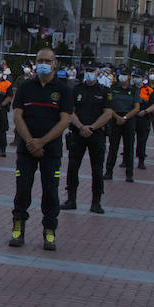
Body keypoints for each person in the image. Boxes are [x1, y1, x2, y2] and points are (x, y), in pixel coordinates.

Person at [8, 48, 73, 251]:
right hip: (26, 150)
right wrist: (29, 141)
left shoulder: (64, 90)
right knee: (22, 190)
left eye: (47, 60)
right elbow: (18, 116)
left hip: (50, 151)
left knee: (51, 192)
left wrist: (42, 142)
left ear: (55, 64)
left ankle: (49, 231)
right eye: (40, 60)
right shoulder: (26, 87)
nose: (43, 63)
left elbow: (65, 121)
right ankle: (18, 228)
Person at [61, 66, 113, 214]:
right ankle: (71, 199)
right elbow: (70, 111)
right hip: (78, 134)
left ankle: (96, 202)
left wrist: (92, 128)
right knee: (72, 167)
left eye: (93, 71)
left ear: (98, 74)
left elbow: (108, 113)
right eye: (88, 71)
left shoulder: (104, 91)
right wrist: (81, 127)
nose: (90, 74)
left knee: (97, 170)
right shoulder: (76, 89)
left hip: (96, 135)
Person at [104, 71, 142, 183]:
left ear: (129, 77)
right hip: (115, 119)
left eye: (125, 74)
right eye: (121, 74)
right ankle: (108, 172)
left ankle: (129, 174)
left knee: (129, 148)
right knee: (113, 148)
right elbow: (109, 105)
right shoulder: (113, 88)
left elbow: (136, 108)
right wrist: (117, 117)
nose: (123, 76)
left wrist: (124, 118)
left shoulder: (134, 90)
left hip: (129, 120)